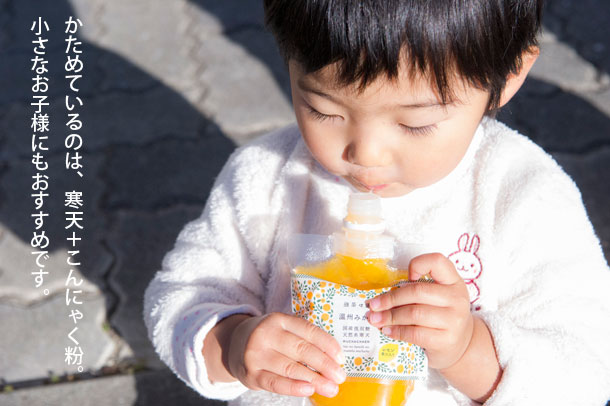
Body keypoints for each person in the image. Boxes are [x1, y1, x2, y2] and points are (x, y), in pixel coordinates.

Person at [143, 1, 610, 405]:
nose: (365, 154)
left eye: (415, 123)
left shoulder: (521, 193)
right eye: (324, 110)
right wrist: (231, 342)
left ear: (508, 76)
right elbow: (181, 295)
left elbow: (588, 366)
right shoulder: (265, 176)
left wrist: (469, 352)